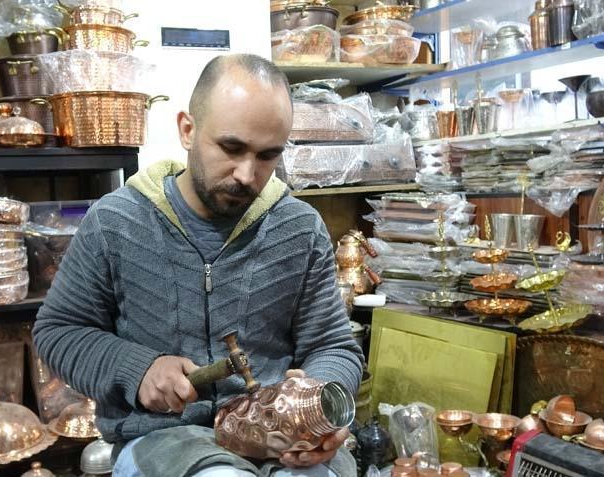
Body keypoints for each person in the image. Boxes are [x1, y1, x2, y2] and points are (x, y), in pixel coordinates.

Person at [33, 53, 364, 477]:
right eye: (232, 147)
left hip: (278, 439)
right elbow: (58, 331)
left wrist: (321, 409)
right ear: (187, 129)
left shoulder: (298, 229)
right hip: (161, 438)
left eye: (268, 156)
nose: (247, 174)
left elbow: (332, 346)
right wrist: (137, 369)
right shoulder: (116, 223)